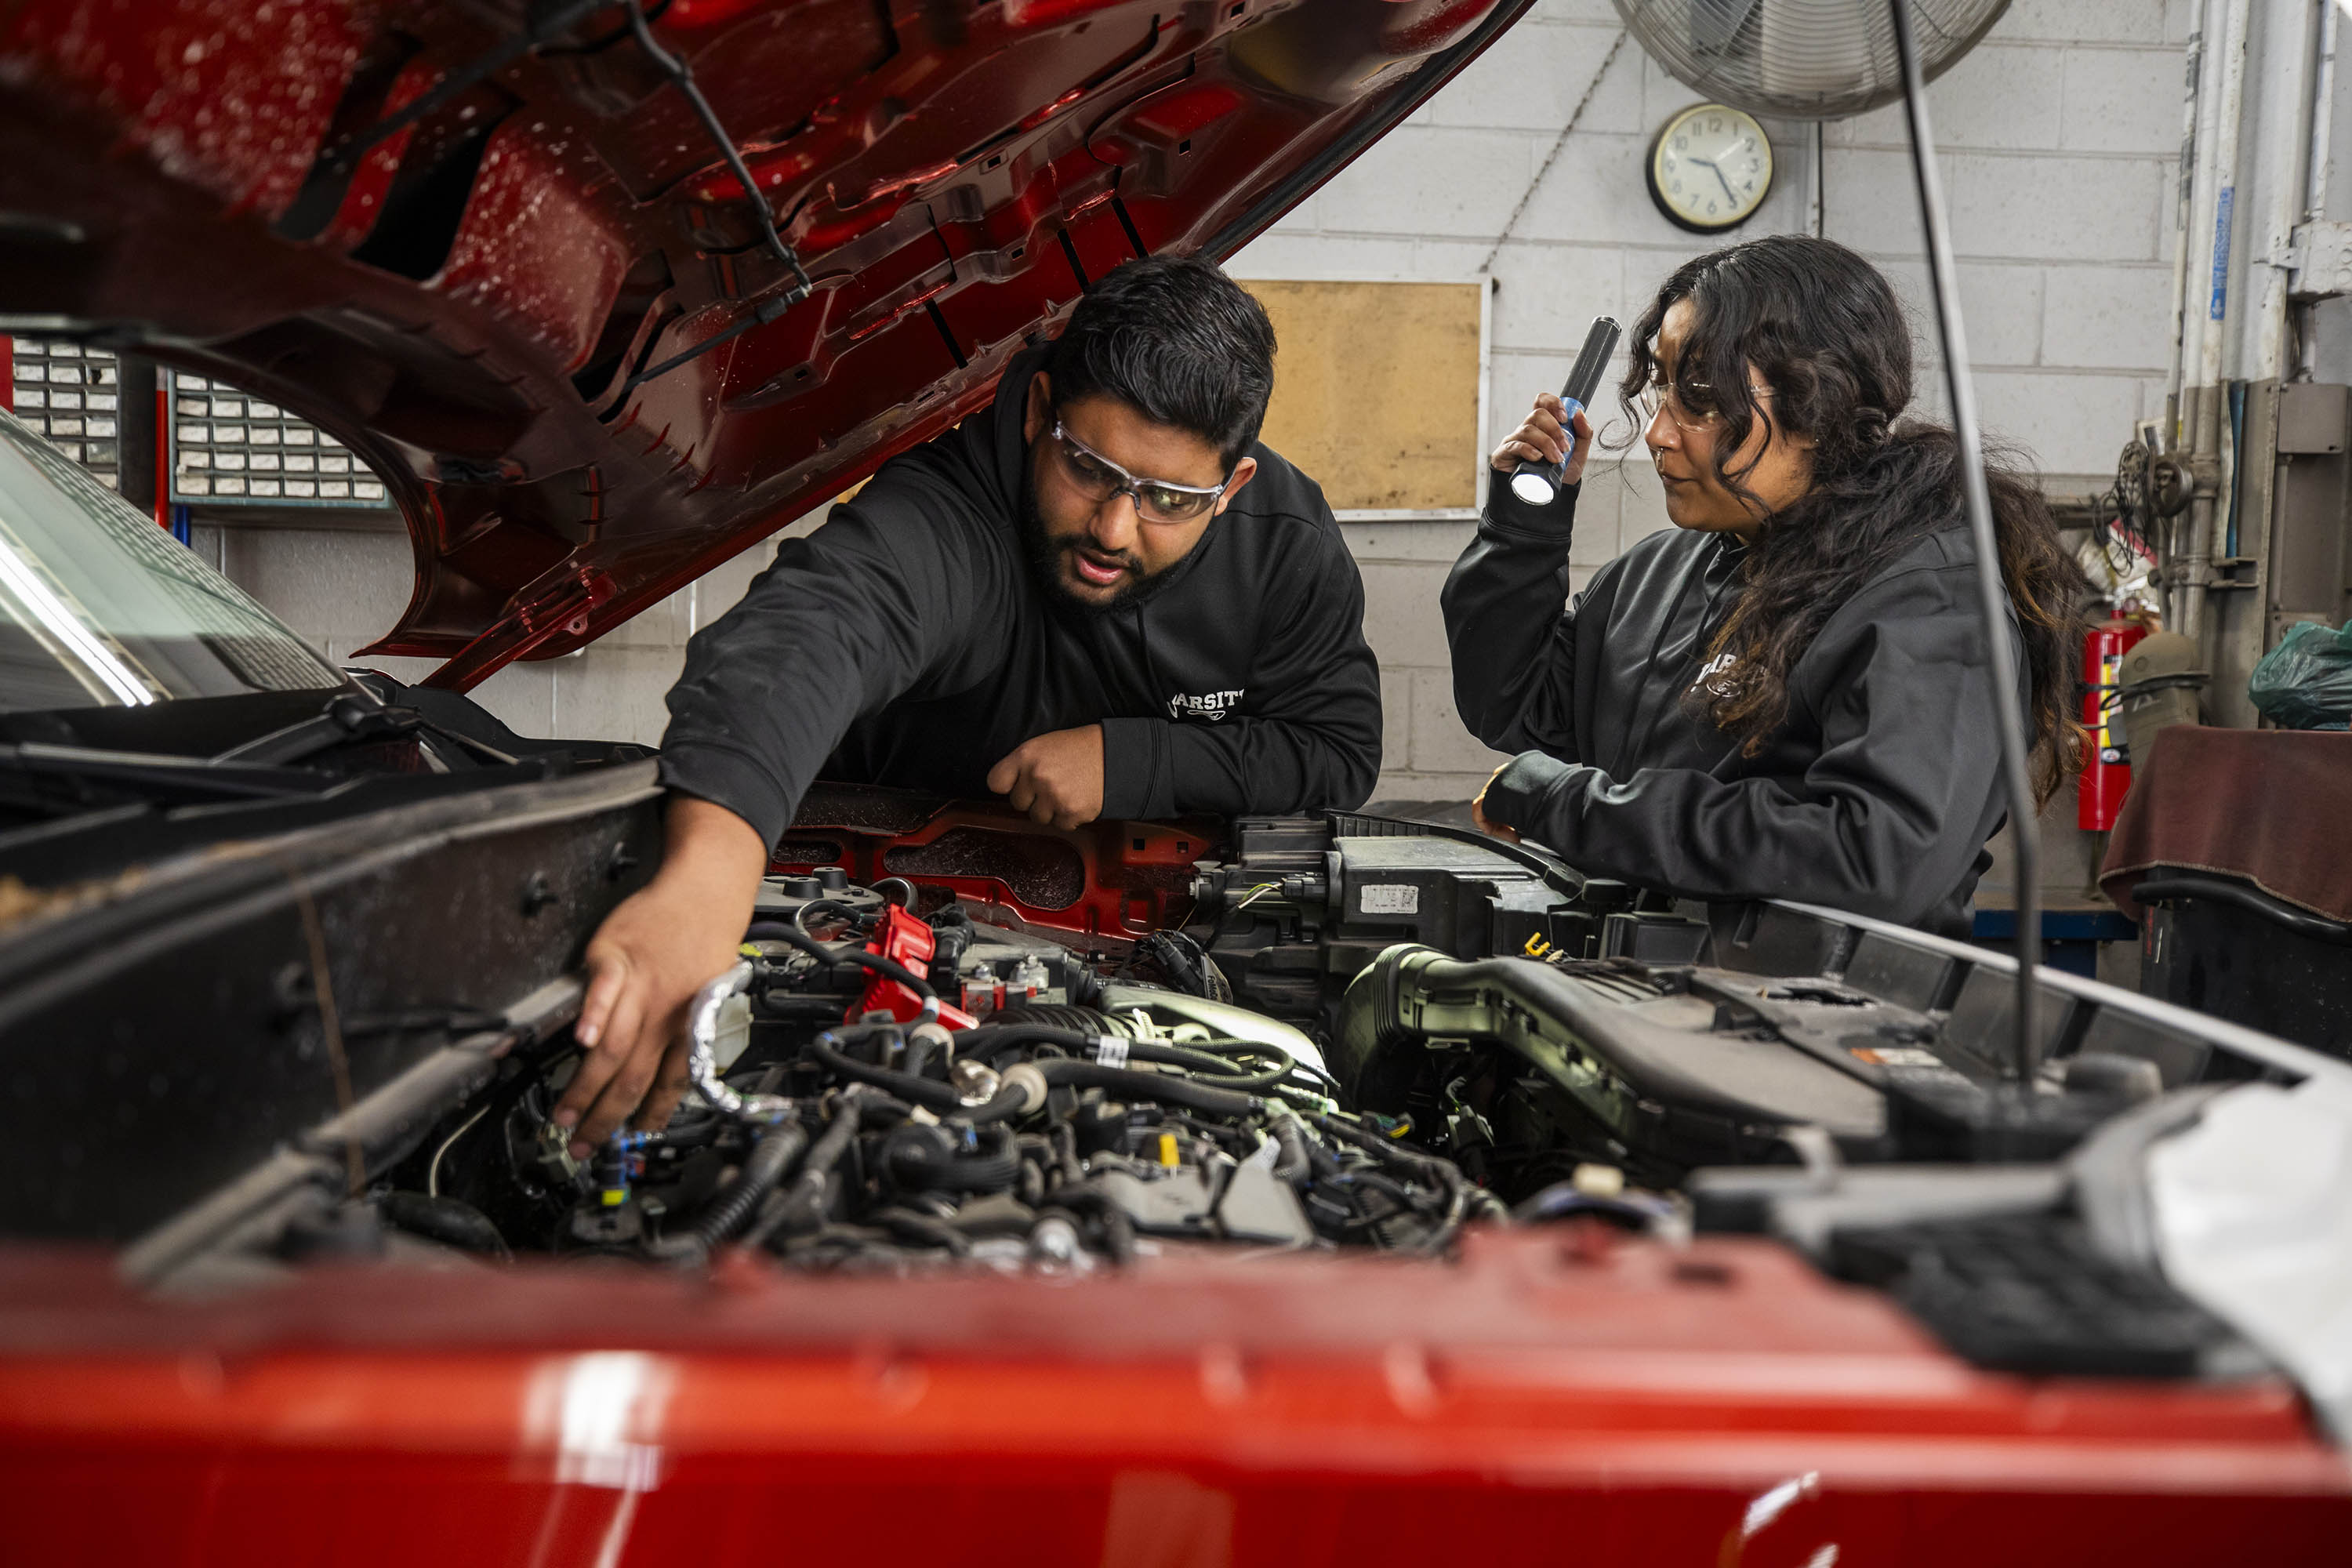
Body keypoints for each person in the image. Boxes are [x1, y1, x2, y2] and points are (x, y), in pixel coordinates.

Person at [555, 256, 1382, 1155]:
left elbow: (1338, 748)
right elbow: (812, 631)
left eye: (1170, 499)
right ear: (1038, 413)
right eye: (1089, 467)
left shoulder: (1285, 550)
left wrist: (1131, 760)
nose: (1114, 528)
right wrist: (710, 874)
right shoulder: (955, 508)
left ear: (1232, 488)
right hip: (870, 910)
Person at [1447, 234, 2083, 937]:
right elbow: (1511, 704)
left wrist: (1575, 807)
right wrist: (1522, 528)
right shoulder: (1659, 576)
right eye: (1663, 387)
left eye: (1700, 398)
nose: (1658, 433)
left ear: (1818, 404)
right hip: (1645, 987)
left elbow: (1877, 859)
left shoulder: (1927, 599)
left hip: (1814, 1002)